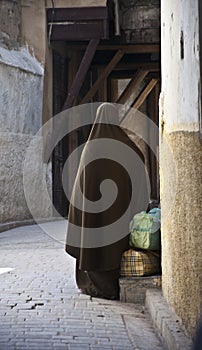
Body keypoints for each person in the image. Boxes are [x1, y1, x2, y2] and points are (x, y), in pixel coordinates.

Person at [65, 103, 148, 299]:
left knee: (93, 243)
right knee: (114, 246)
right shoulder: (128, 146)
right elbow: (139, 169)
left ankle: (90, 284)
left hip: (93, 215)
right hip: (119, 215)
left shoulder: (91, 148)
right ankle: (111, 285)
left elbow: (80, 187)